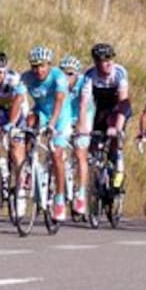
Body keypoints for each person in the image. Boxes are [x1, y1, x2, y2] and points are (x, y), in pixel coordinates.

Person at [20, 45, 71, 220]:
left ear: (49, 64)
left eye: (42, 66)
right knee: (28, 122)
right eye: (34, 66)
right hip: (41, 112)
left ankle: (59, 198)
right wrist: (12, 125)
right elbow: (18, 99)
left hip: (61, 115)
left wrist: (52, 124)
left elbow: (59, 100)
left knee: (56, 154)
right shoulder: (26, 78)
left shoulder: (58, 76)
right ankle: (28, 163)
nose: (38, 70)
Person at [78, 42, 132, 191]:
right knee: (94, 142)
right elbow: (84, 103)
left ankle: (118, 164)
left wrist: (117, 128)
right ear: (96, 62)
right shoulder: (90, 75)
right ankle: (97, 177)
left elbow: (123, 101)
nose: (108, 64)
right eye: (104, 60)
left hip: (118, 109)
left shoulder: (119, 72)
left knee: (114, 132)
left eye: (110, 59)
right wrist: (82, 125)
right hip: (100, 108)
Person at [0, 51, 29, 192]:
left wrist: (11, 124)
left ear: (5, 71)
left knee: (16, 146)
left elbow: (19, 99)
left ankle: (20, 183)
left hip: (17, 112)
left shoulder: (13, 78)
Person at [61, 54, 94, 214]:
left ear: (77, 74)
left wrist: (81, 126)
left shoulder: (85, 83)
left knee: (80, 153)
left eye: (70, 73)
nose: (66, 77)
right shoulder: (58, 83)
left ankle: (81, 194)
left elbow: (83, 104)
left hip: (84, 114)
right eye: (63, 73)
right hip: (67, 115)